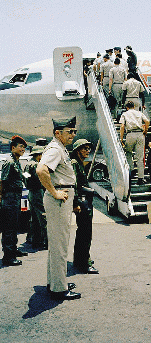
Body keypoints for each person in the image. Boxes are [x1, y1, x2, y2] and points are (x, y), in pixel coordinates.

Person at [36, 116, 81, 300]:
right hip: (58, 201)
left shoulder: (60, 147)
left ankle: (55, 282)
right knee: (60, 245)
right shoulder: (55, 149)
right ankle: (58, 289)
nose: (73, 134)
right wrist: (54, 192)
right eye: (69, 131)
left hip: (61, 200)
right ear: (58, 133)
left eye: (74, 131)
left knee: (57, 244)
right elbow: (41, 170)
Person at [71, 139, 99, 274]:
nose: (88, 151)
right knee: (85, 233)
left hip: (83, 201)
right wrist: (75, 203)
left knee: (82, 232)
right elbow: (74, 185)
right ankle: (84, 263)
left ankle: (79, 259)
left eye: (89, 149)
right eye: (85, 149)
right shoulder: (75, 163)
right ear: (78, 150)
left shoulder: (79, 163)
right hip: (82, 202)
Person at [0, 135, 28, 266]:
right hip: (9, 199)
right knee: (9, 228)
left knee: (14, 225)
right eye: (21, 146)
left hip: (16, 198)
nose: (23, 149)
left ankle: (13, 250)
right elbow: (2, 181)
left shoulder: (16, 161)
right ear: (13, 148)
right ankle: (8, 256)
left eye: (24, 147)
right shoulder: (9, 162)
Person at [119, 101, 150, 185]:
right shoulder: (139, 113)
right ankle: (140, 178)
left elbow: (122, 126)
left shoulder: (125, 114)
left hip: (130, 134)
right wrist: (145, 131)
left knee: (128, 152)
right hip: (140, 135)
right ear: (134, 106)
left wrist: (121, 139)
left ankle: (132, 170)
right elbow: (147, 121)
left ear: (127, 107)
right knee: (140, 157)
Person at [24, 145, 47, 250]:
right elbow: (41, 179)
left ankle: (35, 241)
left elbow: (25, 177)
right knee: (43, 217)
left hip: (31, 193)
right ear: (39, 155)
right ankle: (47, 241)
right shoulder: (36, 165)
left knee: (34, 218)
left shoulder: (28, 164)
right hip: (38, 192)